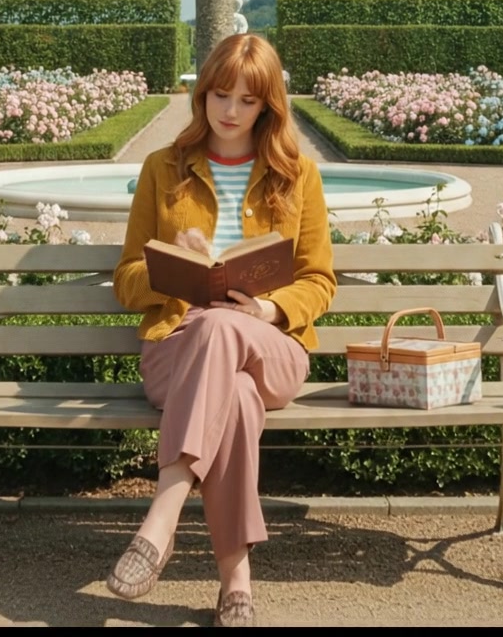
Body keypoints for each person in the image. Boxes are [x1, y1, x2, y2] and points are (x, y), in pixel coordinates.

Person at [106, 34, 336, 627]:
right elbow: (126, 279)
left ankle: (162, 518)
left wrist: (268, 311)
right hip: (178, 353)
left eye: (247, 100)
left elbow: (319, 281)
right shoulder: (163, 168)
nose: (230, 111)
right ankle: (237, 582)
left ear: (269, 106)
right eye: (219, 95)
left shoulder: (299, 176)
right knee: (232, 389)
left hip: (272, 348)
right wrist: (172, 267)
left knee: (226, 329)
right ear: (202, 92)